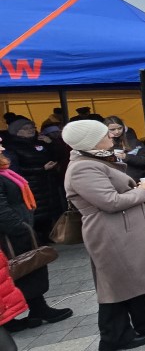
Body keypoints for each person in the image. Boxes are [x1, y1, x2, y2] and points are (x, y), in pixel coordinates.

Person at [62, 120, 145, 350]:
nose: (111, 136)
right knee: (115, 284)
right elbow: (110, 202)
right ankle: (115, 337)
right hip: (108, 231)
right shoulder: (82, 167)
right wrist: (142, 192)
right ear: (90, 141)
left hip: (120, 228)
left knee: (131, 277)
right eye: (104, 135)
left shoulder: (94, 159)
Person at [0, 137, 73, 334]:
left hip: (17, 229)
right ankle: (11, 318)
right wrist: (21, 228)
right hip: (10, 233)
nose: (3, 147)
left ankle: (37, 308)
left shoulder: (4, 172)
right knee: (19, 270)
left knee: (29, 268)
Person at [4, 119, 62, 241]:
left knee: (49, 211)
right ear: (16, 131)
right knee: (36, 213)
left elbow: (56, 156)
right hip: (31, 184)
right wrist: (41, 169)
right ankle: (37, 238)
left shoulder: (39, 142)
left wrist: (50, 144)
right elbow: (15, 170)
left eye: (32, 128)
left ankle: (48, 235)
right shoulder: (12, 147)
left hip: (47, 182)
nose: (30, 130)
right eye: (26, 129)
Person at [104, 116, 145, 182]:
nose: (117, 132)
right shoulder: (102, 144)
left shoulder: (133, 142)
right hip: (111, 180)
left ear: (123, 127)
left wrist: (127, 157)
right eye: (112, 129)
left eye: (120, 128)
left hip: (133, 180)